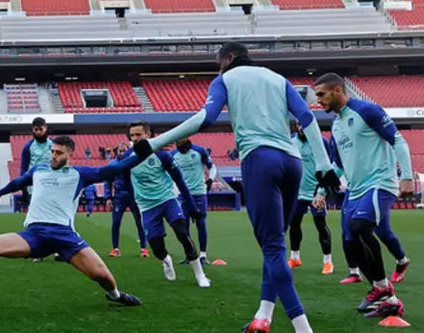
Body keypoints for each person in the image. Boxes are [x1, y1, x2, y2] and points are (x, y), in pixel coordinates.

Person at [144, 42, 340, 333]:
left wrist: (153, 144)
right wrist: (323, 164)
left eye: (217, 60)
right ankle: (263, 316)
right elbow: (308, 117)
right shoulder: (277, 78)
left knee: (273, 248)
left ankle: (303, 329)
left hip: (260, 159)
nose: (216, 66)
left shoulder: (224, 79)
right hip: (293, 162)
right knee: (275, 243)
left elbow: (205, 118)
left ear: (230, 58)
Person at [0, 135, 142, 307]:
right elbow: (19, 181)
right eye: (52, 152)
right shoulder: (39, 170)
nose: (54, 156)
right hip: (34, 234)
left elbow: (112, 169)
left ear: (69, 154)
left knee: (101, 275)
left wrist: (140, 154)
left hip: (64, 235)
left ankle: (114, 295)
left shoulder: (80, 173)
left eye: (59, 153)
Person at [313, 73, 413, 317]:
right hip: (355, 191)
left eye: (321, 95)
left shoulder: (367, 110)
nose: (318, 101)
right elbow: (338, 165)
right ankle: (386, 296)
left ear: (337, 91)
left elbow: (397, 140)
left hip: (379, 184)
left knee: (359, 228)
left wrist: (407, 176)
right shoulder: (336, 125)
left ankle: (382, 287)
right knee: (350, 242)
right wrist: (322, 190)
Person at [121, 122, 211, 288]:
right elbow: (125, 182)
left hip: (167, 200)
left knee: (182, 234)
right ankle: (166, 260)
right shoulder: (127, 157)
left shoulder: (163, 155)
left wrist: (191, 206)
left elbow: (179, 180)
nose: (135, 138)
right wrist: (134, 203)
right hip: (147, 207)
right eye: (132, 135)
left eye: (138, 134)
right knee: (156, 247)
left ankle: (200, 274)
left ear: (148, 135)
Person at [286, 121, 334, 275]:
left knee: (320, 225)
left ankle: (328, 261)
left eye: (304, 125)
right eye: (299, 125)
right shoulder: (291, 141)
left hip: (316, 191)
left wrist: (324, 190)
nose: (302, 128)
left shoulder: (321, 142)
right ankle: (294, 257)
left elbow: (330, 165)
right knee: (294, 223)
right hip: (297, 191)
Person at [173, 137, 217, 263]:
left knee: (201, 224)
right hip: (183, 194)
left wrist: (210, 180)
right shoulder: (173, 154)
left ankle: (203, 255)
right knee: (184, 226)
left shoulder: (199, 151)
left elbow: (212, 167)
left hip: (199, 193)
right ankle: (190, 255)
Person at [105, 141, 148, 258]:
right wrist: (108, 197)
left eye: (124, 151)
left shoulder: (135, 163)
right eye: (120, 151)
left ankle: (144, 248)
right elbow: (108, 181)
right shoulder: (113, 164)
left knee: (139, 222)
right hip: (119, 197)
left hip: (135, 196)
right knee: (116, 222)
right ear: (117, 152)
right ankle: (115, 249)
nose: (122, 153)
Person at [17, 117, 53, 210]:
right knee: (36, 211)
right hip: (34, 186)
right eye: (35, 130)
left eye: (41, 129)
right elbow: (23, 167)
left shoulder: (54, 145)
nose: (38, 132)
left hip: (51, 183)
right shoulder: (28, 147)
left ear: (46, 128)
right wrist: (23, 186)